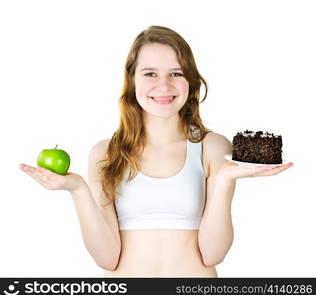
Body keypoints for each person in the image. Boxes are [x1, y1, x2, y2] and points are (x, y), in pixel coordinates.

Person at [20, 25, 293, 277]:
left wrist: (223, 180)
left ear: (191, 81)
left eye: (176, 73)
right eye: (150, 73)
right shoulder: (105, 153)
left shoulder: (213, 147)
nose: (164, 85)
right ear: (133, 81)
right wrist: (77, 189)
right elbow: (107, 258)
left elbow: (213, 254)